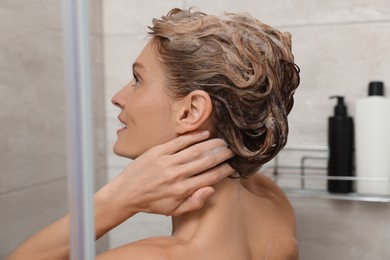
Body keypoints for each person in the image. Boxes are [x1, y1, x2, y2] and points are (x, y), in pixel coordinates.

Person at [9, 7, 300, 260]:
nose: (118, 97)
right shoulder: (271, 201)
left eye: (137, 79)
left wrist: (116, 200)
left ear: (190, 112)